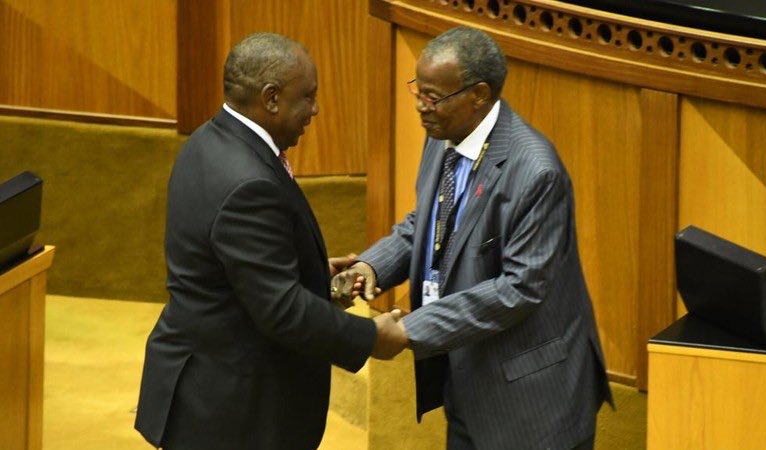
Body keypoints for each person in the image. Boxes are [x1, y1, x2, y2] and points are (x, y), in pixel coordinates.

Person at [334, 27, 613, 449]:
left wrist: (411, 329)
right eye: (418, 90)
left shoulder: (536, 172)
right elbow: (426, 224)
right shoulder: (444, 136)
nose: (420, 106)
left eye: (433, 96)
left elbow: (519, 289)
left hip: (532, 400)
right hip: (467, 376)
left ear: (479, 94)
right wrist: (370, 266)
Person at [134, 33, 405, 450]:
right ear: (272, 98)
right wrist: (369, 338)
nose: (315, 109)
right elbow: (280, 310)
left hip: (207, 387)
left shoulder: (208, 139)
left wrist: (308, 272)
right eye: (308, 96)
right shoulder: (249, 183)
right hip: (232, 415)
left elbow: (237, 269)